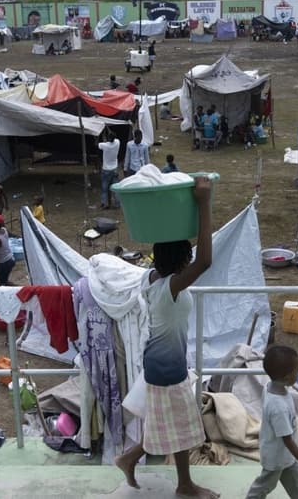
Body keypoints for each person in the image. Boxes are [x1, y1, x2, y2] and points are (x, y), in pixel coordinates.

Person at [115, 176, 219, 499]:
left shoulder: (154, 279)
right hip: (166, 367)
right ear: (180, 263)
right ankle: (183, 485)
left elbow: (185, 258)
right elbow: (205, 261)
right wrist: (203, 203)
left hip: (162, 364)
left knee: (173, 424)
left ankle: (132, 460)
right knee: (180, 426)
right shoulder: (170, 287)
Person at [246, 345, 298, 499]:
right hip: (276, 458)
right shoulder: (278, 408)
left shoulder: (270, 387)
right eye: (297, 371)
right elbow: (287, 440)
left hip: (287, 456)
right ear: (288, 377)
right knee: (264, 486)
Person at [98, 130, 121, 208]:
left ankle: (105, 203)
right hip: (114, 169)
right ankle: (117, 203)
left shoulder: (105, 145)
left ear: (108, 139)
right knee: (115, 188)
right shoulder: (118, 142)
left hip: (106, 170)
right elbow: (114, 138)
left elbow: (97, 144)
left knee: (104, 188)